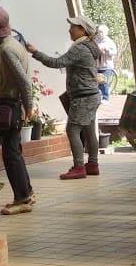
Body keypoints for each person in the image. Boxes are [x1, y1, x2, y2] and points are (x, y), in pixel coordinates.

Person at [26, 15, 103, 180]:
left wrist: (35, 52)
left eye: (73, 26)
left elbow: (56, 63)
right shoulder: (89, 46)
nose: (70, 29)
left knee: (72, 129)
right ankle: (93, 164)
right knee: (89, 130)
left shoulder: (79, 48)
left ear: (83, 30)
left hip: (83, 97)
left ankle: (79, 167)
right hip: (91, 95)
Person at [0, 8, 37, 214]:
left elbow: (24, 81)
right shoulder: (13, 44)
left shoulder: (6, 50)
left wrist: (28, 105)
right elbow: (13, 77)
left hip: (11, 104)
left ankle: (23, 199)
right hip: (15, 102)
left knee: (11, 154)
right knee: (14, 152)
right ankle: (26, 193)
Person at [95, 24, 118, 101]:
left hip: (106, 66)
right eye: (98, 32)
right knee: (96, 82)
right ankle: (98, 97)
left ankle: (105, 98)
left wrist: (107, 50)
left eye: (101, 32)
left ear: (105, 33)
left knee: (104, 82)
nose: (99, 34)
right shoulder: (95, 40)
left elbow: (114, 52)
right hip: (97, 65)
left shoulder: (110, 42)